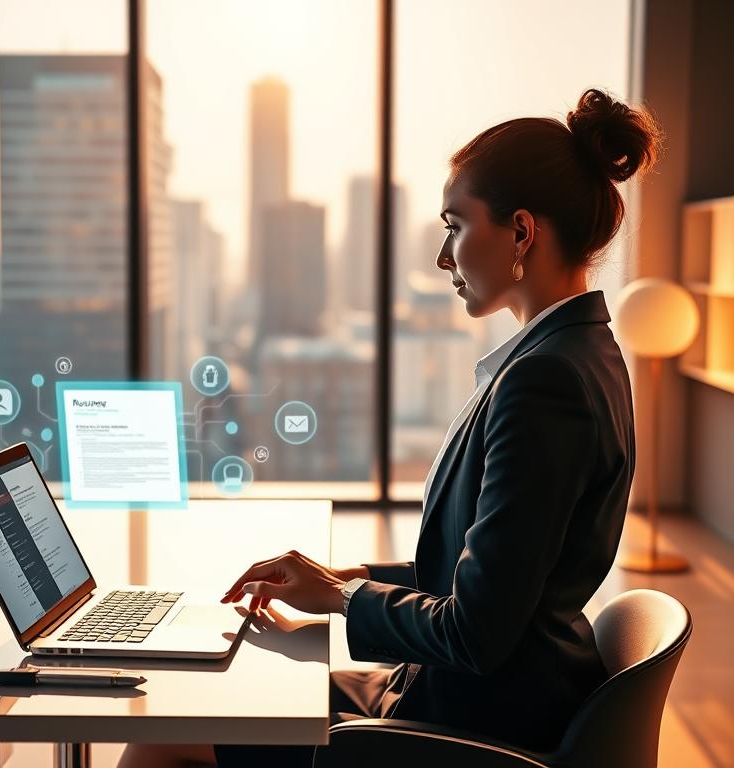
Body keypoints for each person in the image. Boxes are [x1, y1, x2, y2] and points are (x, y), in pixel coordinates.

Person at [117, 87, 662, 768]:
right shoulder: (580, 353)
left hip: (470, 725)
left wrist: (345, 598)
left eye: (455, 226)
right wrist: (336, 579)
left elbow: (477, 631)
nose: (443, 257)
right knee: (207, 701)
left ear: (521, 232)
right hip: (471, 695)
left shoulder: (544, 381)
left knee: (164, 740)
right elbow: (487, 574)